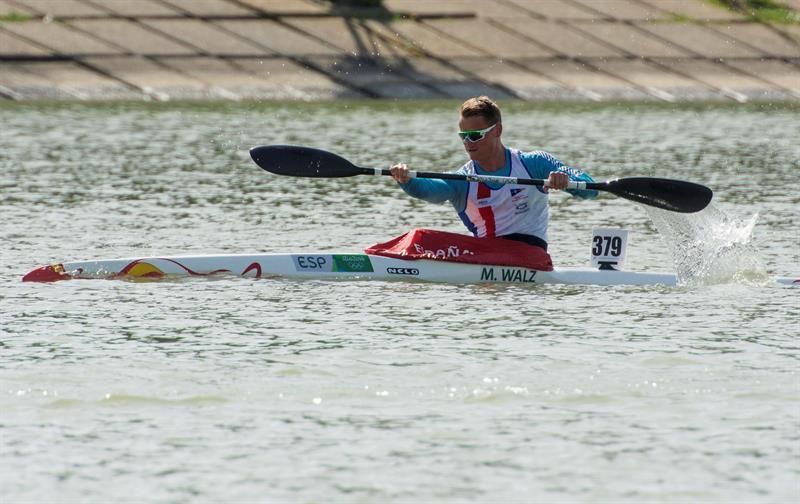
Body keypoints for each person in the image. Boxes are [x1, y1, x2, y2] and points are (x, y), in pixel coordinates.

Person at [389, 96, 597, 252]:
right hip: (486, 255)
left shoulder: (534, 164)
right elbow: (431, 190)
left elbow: (590, 188)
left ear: (497, 130)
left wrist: (567, 181)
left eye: (475, 136)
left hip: (530, 254)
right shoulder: (462, 180)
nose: (468, 143)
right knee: (420, 237)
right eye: (463, 136)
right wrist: (407, 180)